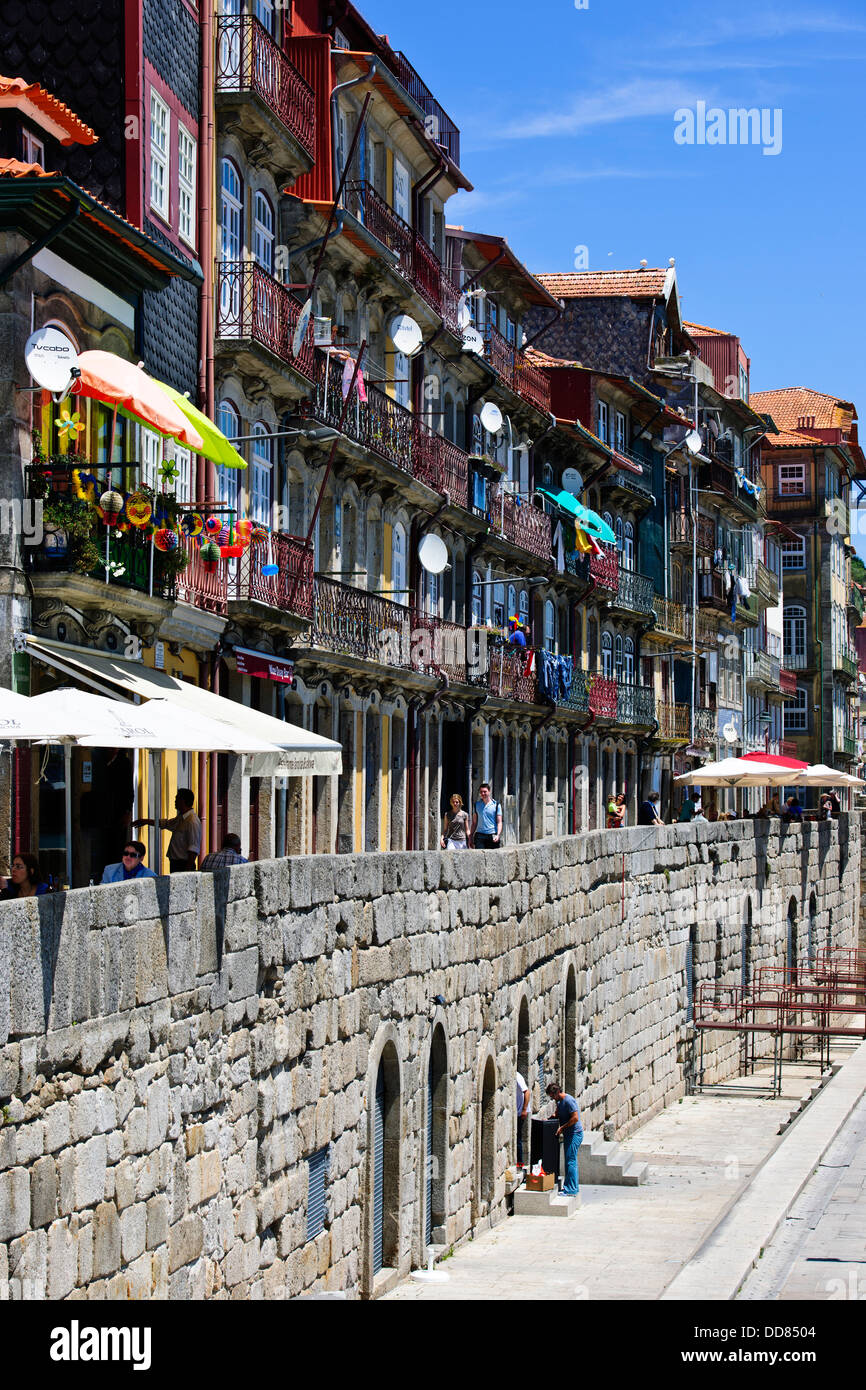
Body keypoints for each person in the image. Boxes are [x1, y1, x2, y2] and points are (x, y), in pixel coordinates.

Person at [133, 789, 202, 872]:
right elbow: (166, 823)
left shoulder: (192, 821)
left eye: (177, 799)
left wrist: (187, 871)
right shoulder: (181, 818)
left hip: (183, 865)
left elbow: (193, 849)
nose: (175, 801)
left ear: (183, 800)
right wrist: (145, 821)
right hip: (176, 864)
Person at [546, 1081, 583, 1196]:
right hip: (568, 1134)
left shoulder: (568, 1100)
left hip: (574, 1134)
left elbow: (575, 1118)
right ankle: (570, 1187)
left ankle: (571, 1189)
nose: (552, 1099)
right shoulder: (560, 1102)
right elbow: (558, 1113)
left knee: (571, 1161)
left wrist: (562, 1127)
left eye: (552, 1096)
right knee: (569, 1161)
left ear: (557, 1092)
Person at [471, 783, 503, 848]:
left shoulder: (496, 805)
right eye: (481, 792)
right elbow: (474, 823)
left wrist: (498, 835)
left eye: (485, 792)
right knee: (479, 857)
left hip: (492, 834)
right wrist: (471, 836)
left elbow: (499, 822)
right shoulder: (476, 805)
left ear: (489, 791)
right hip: (480, 835)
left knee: (493, 857)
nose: (483, 794)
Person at [515, 1071, 531, 1169]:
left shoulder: (516, 1076)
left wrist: (524, 1109)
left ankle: (520, 1162)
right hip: (516, 1112)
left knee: (518, 1138)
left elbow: (527, 1092)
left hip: (520, 1112)